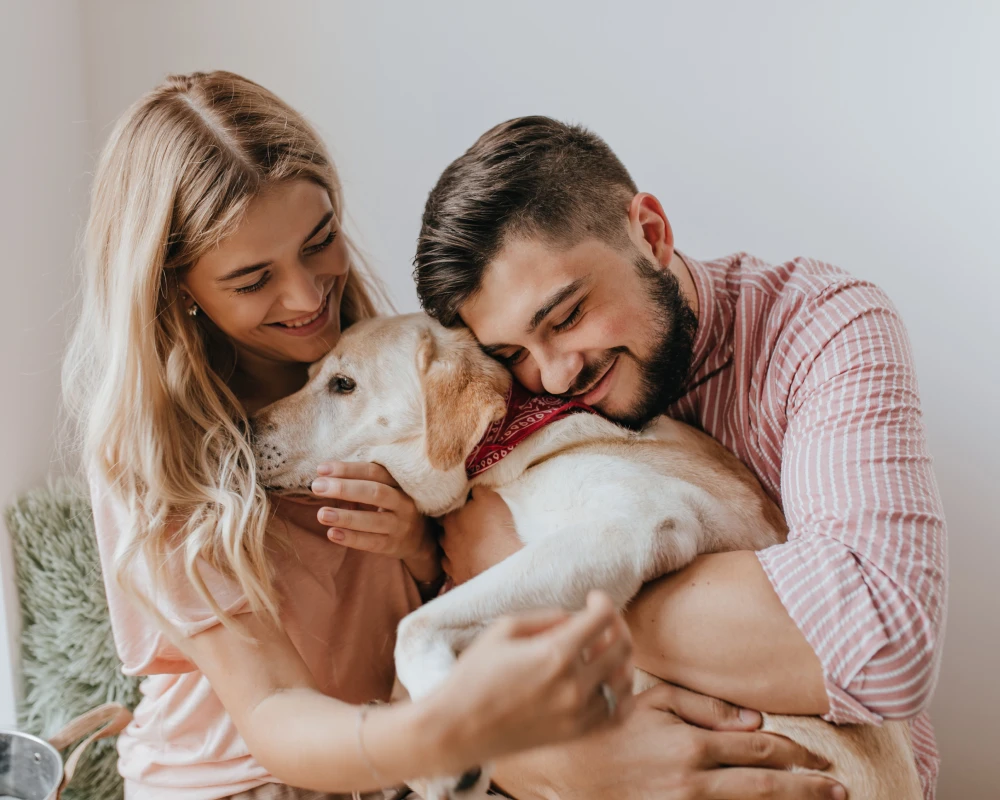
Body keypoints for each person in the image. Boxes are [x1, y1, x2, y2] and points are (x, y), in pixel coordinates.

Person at [63, 75, 635, 800]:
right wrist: (442, 733)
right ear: (177, 286)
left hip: (397, 751)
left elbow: (451, 577)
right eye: (253, 279)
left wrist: (419, 548)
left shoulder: (388, 364)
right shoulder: (154, 452)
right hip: (239, 780)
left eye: (320, 241)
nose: (308, 297)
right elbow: (271, 709)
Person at [412, 116, 947, 799]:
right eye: (513, 351)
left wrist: (521, 566)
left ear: (652, 233)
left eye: (567, 316)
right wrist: (581, 770)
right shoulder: (508, 406)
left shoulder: (821, 329)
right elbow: (438, 701)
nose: (553, 376)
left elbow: (881, 646)